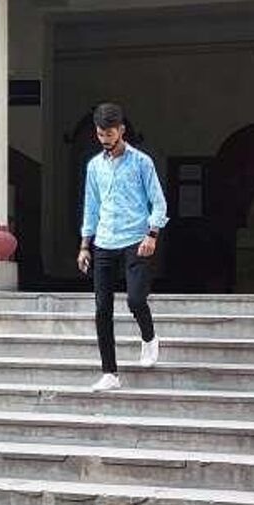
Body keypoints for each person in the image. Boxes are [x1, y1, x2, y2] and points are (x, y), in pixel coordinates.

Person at [77, 102, 169, 393]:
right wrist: (84, 245)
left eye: (110, 133)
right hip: (104, 241)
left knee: (135, 300)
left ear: (122, 130)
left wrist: (152, 234)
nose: (105, 139)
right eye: (101, 134)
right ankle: (110, 373)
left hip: (135, 240)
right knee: (102, 308)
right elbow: (91, 207)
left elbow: (159, 201)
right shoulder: (94, 167)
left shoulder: (142, 162)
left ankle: (149, 337)